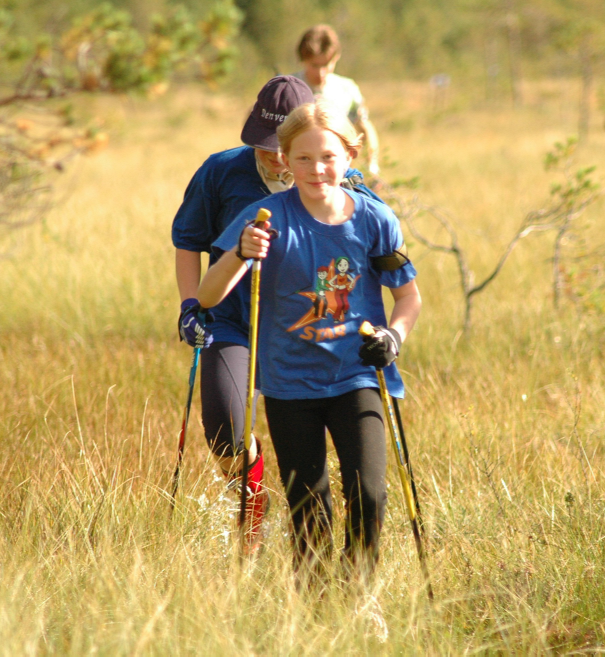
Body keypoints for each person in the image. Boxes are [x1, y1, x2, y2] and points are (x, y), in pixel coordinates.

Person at [196, 100, 421, 594]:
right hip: (289, 382)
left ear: (350, 154)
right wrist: (239, 253)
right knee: (308, 504)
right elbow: (209, 296)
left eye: (327, 157)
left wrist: (393, 337)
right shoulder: (265, 219)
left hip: (357, 375)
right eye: (301, 158)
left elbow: (407, 297)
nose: (316, 169)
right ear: (284, 158)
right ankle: (315, 609)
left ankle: (359, 594)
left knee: (369, 493)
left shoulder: (376, 220)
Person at [171, 75, 316, 547]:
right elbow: (188, 244)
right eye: (264, 144)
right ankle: (252, 497)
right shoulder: (220, 171)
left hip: (300, 329)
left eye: (284, 145)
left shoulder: (329, 176)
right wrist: (190, 305)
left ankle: (307, 530)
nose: (275, 156)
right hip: (228, 321)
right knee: (225, 434)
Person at [294, 24, 381, 178]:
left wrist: (372, 166)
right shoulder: (289, 87)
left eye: (327, 65)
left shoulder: (348, 89)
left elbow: (365, 127)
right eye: (314, 65)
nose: (321, 73)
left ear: (336, 58)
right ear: (303, 59)